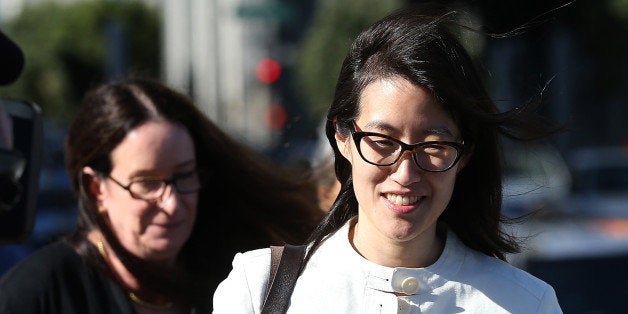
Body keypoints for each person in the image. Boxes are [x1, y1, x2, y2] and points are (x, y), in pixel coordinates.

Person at [213, 6, 562, 313]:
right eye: (382, 142)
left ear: (465, 153)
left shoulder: (525, 303)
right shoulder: (258, 289)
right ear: (342, 137)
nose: (405, 173)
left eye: (434, 145)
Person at [0, 78, 321, 313]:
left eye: (184, 176)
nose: (171, 203)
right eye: (147, 183)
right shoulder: (38, 294)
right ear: (97, 188)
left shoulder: (238, 280)